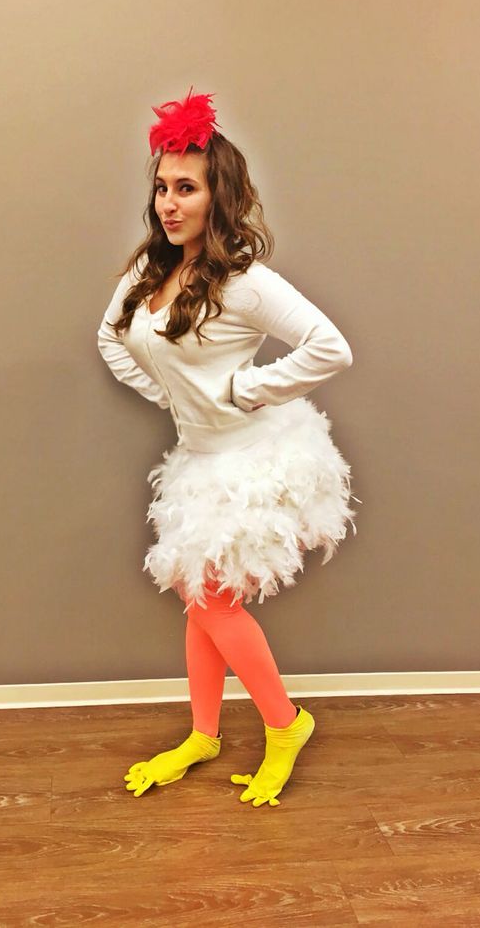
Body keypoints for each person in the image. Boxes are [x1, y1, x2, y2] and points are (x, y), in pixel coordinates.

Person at [97, 86, 359, 808]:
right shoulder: (151, 275)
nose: (168, 203)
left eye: (186, 188)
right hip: (199, 460)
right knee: (199, 600)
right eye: (161, 188)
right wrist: (173, 397)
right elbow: (110, 340)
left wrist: (248, 390)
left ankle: (286, 723)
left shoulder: (242, 281)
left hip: (251, 460)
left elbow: (328, 346)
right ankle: (205, 734)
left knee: (210, 601)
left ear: (220, 196)